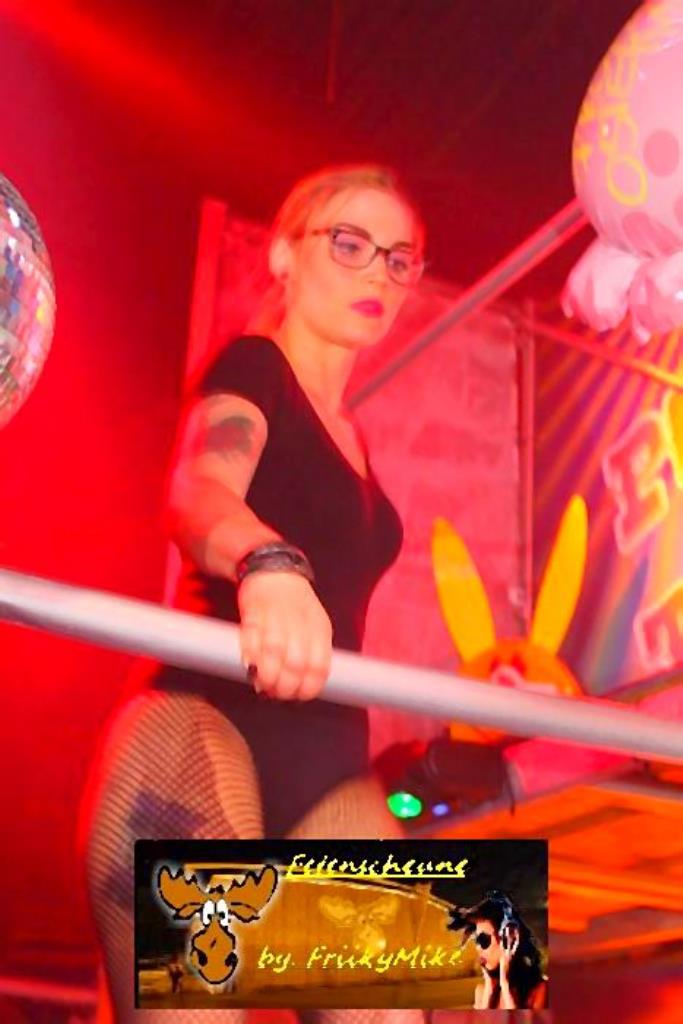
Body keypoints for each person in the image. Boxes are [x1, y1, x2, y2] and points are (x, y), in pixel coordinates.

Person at [78, 164, 427, 1024]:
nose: (378, 272)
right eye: (348, 243)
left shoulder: (356, 435)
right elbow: (198, 491)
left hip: (331, 775)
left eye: (398, 258)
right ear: (282, 256)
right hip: (200, 727)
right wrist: (267, 560)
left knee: (422, 996)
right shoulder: (252, 365)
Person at [447, 890, 548, 1010]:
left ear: (509, 939)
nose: (478, 948)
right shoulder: (481, 992)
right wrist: (489, 990)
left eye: (483, 940)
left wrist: (505, 986)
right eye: (476, 941)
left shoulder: (539, 990)